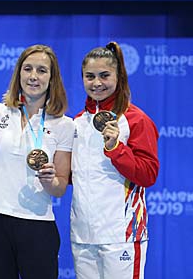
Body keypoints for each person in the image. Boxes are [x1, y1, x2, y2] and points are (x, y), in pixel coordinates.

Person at [0, 43, 73, 279]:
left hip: (37, 224)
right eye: (27, 69)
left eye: (42, 70)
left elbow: (60, 187)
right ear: (19, 74)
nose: (33, 76)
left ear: (52, 78)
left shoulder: (64, 125)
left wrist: (50, 181)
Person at [70, 41, 160, 279]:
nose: (97, 83)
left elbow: (148, 174)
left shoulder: (136, 120)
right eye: (89, 76)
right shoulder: (78, 122)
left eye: (104, 75)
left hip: (122, 235)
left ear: (118, 76)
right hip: (83, 236)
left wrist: (116, 149)